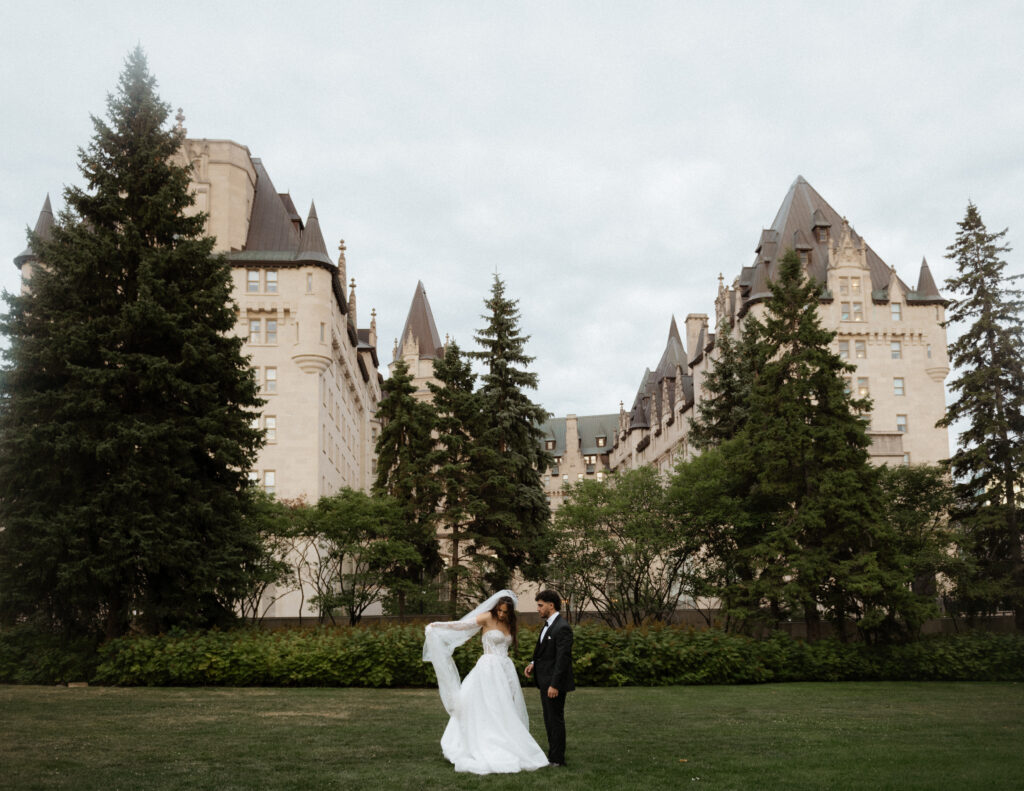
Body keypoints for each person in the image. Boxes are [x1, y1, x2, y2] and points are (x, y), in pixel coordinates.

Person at [422, 590, 549, 774]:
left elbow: (507, 646)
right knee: (485, 705)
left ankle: (507, 741)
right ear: (495, 607)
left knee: (505, 706)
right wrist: (438, 625)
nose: (502, 614)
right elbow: (461, 626)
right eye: (500, 610)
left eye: (505, 612)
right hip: (488, 668)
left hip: (505, 669)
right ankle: (483, 741)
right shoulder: (487, 617)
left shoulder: (510, 623)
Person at [524, 589, 574, 767]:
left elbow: (562, 660)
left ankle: (557, 759)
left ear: (551, 605)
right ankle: (552, 755)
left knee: (555, 720)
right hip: (544, 681)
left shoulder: (563, 627)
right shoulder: (549, 625)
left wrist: (555, 684)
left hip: (553, 684)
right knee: (549, 719)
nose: (538, 609)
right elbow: (546, 653)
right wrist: (533, 663)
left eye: (540, 605)